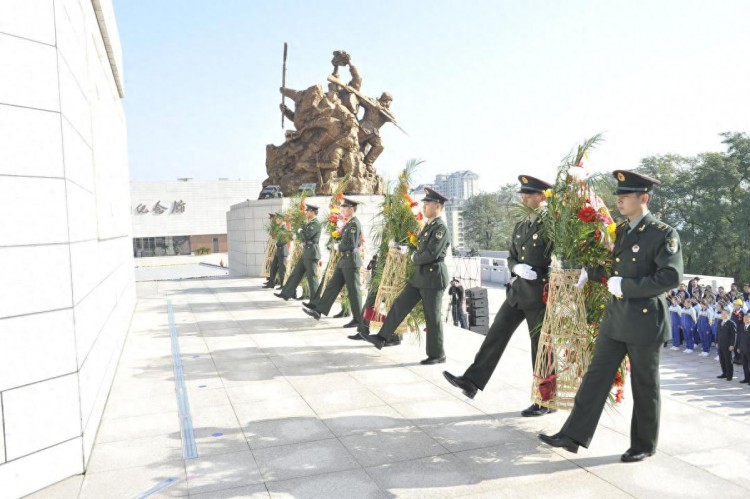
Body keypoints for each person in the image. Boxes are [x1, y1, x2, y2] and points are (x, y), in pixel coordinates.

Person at [539, 169, 683, 463]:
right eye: (617, 194)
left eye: (625, 195)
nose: (618, 200)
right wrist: (590, 274)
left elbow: (670, 277)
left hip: (645, 321)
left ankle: (643, 444)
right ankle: (573, 434)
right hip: (617, 318)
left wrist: (627, 287)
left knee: (644, 386)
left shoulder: (663, 233)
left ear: (643, 198)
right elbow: (616, 273)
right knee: (596, 377)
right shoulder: (623, 230)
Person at [443, 175, 557, 417]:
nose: (523, 198)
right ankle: (472, 382)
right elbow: (512, 256)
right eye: (523, 194)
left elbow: (561, 257)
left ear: (542, 196)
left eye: (529, 194)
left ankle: (545, 400)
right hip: (517, 292)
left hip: (540, 295)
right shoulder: (522, 224)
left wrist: (545, 273)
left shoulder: (552, 225)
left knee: (541, 348)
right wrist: (515, 267)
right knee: (496, 334)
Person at [361, 188, 451, 364]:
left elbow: (430, 254)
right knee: (400, 305)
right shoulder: (429, 226)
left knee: (432, 317)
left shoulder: (440, 228)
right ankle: (382, 337)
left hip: (433, 277)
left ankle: (437, 354)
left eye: (427, 203)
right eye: (424, 203)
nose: (424, 206)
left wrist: (412, 257)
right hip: (420, 276)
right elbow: (419, 248)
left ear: (437, 206)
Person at [303, 197, 364, 330]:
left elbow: (352, 244)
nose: (342, 209)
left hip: (351, 261)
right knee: (332, 286)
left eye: (345, 207)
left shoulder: (354, 224)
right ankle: (319, 310)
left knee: (354, 292)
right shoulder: (349, 223)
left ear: (352, 209)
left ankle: (359, 320)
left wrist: (339, 246)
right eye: (342, 207)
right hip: (344, 261)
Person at [275, 204, 321, 301]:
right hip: (306, 252)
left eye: (308, 211)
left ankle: (315, 302)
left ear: (312, 212)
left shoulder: (315, 223)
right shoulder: (309, 223)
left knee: (312, 278)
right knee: (296, 274)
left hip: (312, 253)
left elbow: (307, 236)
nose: (306, 212)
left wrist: (300, 231)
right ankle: (285, 293)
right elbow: (304, 237)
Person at [264, 213, 290, 289]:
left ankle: (283, 285)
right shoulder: (279, 227)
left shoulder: (283, 227)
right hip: (278, 249)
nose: (276, 220)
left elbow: (283, 239)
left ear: (281, 220)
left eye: (278, 219)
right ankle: (271, 283)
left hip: (282, 250)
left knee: (282, 269)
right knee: (273, 267)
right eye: (276, 219)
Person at [717, 309, 737, 381]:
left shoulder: (731, 323)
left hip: (727, 345)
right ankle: (724, 373)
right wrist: (717, 342)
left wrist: (732, 345)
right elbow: (718, 333)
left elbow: (733, 335)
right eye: (722, 313)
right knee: (722, 360)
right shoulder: (720, 322)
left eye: (724, 313)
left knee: (728, 360)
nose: (723, 314)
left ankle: (729, 375)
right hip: (720, 344)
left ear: (728, 314)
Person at [737, 314, 750, 384]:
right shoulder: (741, 327)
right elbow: (739, 338)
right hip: (742, 349)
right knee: (744, 365)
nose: (745, 319)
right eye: (744, 318)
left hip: (749, 350)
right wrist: (738, 347)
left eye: (747, 318)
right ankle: (746, 378)